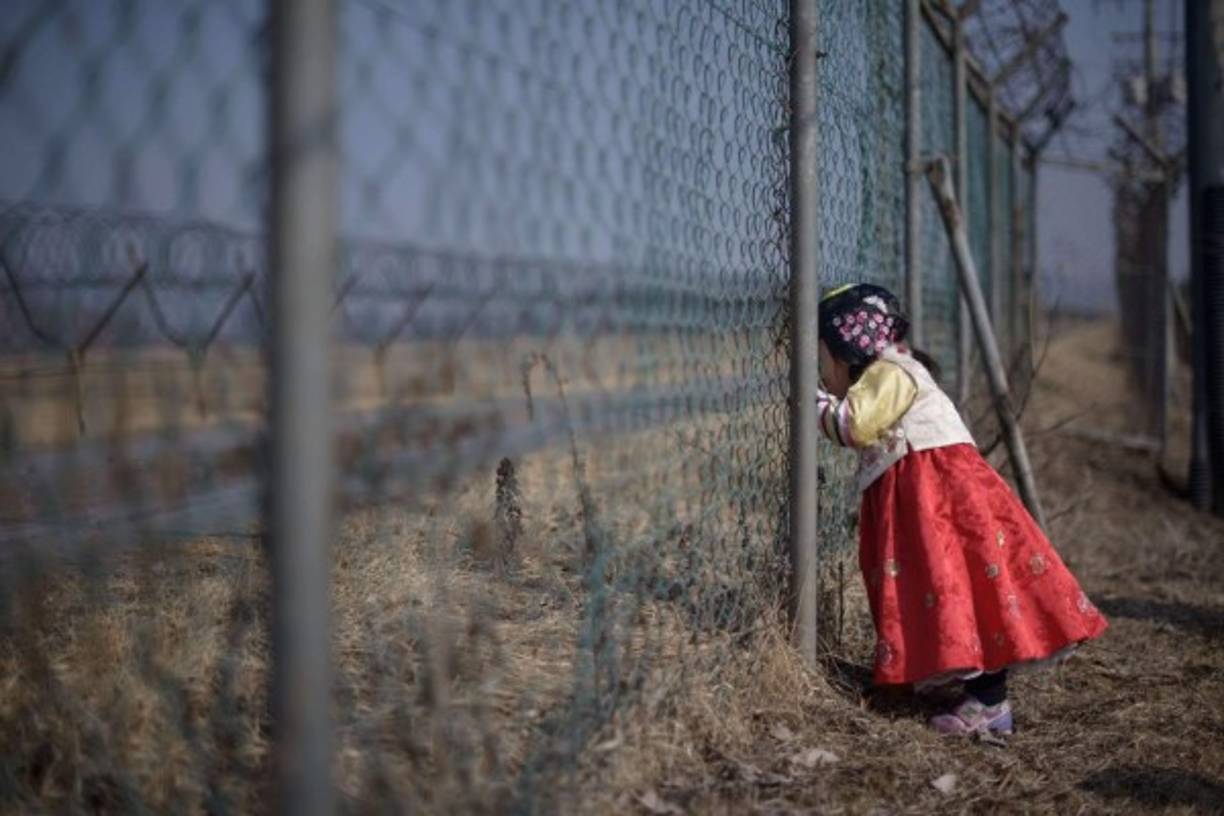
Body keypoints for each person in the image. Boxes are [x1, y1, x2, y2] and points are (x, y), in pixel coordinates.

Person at [815, 282, 1108, 736]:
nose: (819, 371)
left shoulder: (891, 372)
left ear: (847, 349)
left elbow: (853, 425)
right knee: (941, 584)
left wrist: (809, 398)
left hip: (934, 497)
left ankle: (988, 703)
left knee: (955, 583)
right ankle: (959, 680)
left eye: (819, 359)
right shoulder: (888, 371)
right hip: (926, 495)